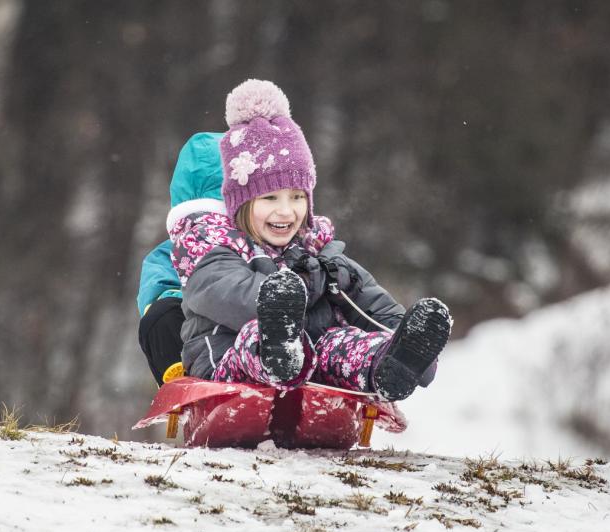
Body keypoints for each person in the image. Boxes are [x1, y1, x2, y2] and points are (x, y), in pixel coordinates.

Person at [168, 79, 451, 403]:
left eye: (298, 197)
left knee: (342, 343)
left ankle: (388, 367)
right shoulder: (215, 249)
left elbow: (373, 305)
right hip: (227, 364)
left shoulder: (319, 253)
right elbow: (228, 295)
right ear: (242, 202)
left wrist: (407, 345)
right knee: (258, 337)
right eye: (270, 197)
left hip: (310, 359)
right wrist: (295, 293)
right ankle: (279, 354)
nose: (286, 211)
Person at [137, 132, 226, 385]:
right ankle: (185, 381)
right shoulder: (172, 252)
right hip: (197, 331)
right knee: (160, 316)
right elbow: (158, 287)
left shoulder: (260, 243)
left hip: (249, 329)